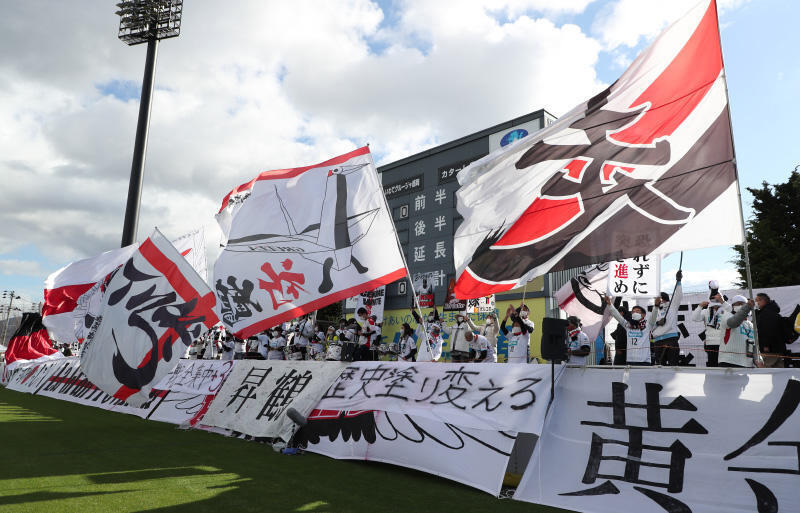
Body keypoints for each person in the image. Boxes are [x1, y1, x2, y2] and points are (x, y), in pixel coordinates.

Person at [605, 296, 656, 365]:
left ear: (643, 315)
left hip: (644, 361)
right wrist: (610, 304)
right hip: (630, 361)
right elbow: (617, 315)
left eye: (637, 311)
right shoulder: (628, 325)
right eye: (633, 312)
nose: (635, 313)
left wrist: (656, 306)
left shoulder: (648, 325)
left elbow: (654, 315)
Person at [718, 295, 759, 368]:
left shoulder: (751, 325)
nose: (741, 306)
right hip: (729, 361)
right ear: (733, 306)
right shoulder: (727, 315)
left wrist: (758, 360)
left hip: (747, 364)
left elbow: (755, 345)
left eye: (744, 304)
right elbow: (733, 323)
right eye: (739, 304)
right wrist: (746, 307)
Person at [652, 271, 683, 366]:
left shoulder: (672, 306)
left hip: (671, 339)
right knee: (659, 366)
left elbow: (678, 296)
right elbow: (649, 326)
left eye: (658, 298)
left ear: (662, 298)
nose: (656, 300)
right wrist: (657, 323)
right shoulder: (654, 310)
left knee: (673, 365)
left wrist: (678, 281)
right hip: (657, 341)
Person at [692, 293, 728, 367]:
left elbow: (733, 311)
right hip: (710, 343)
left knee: (723, 365)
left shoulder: (725, 309)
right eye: (713, 299)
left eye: (717, 299)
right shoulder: (706, 311)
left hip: (724, 343)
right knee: (712, 365)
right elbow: (695, 318)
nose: (715, 301)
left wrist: (722, 301)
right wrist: (700, 306)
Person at [754, 292, 787, 368]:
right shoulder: (772, 311)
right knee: (778, 374)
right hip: (778, 348)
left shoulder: (766, 313)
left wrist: (766, 345)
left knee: (765, 372)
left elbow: (768, 330)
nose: (756, 303)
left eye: (757, 300)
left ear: (763, 301)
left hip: (769, 350)